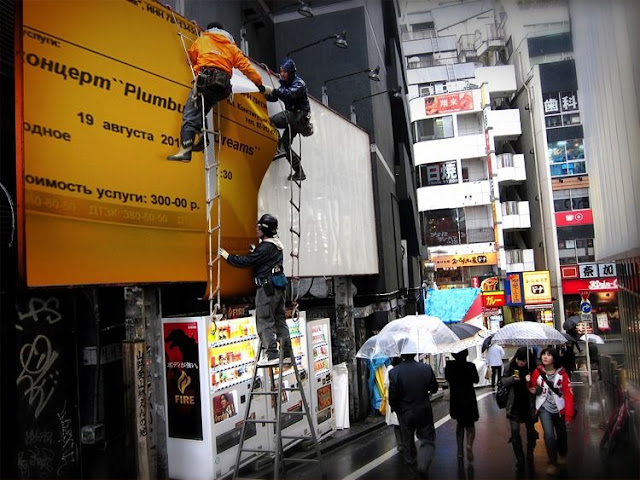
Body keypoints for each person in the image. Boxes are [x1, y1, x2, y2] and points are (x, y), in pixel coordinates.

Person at [168, 22, 265, 162]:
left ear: (209, 29)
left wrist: (198, 61)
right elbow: (246, 67)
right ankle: (203, 137)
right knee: (201, 110)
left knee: (190, 114)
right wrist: (260, 85)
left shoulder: (203, 40)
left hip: (205, 82)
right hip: (222, 88)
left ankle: (185, 151)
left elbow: (189, 59)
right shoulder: (231, 47)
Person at [218, 214, 290, 365]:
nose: (256, 229)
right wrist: (256, 251)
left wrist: (228, 256)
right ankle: (287, 352)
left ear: (265, 230)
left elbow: (247, 262)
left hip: (266, 289)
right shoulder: (276, 245)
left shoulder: (266, 247)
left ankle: (272, 355)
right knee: (279, 319)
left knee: (264, 320)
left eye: (259, 227)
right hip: (278, 288)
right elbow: (264, 259)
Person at [388, 351, 439, 477]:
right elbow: (434, 388)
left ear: (402, 355)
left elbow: (392, 395)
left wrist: (395, 408)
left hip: (405, 412)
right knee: (427, 438)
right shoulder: (425, 368)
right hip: (423, 409)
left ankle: (412, 468)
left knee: (407, 441)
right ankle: (423, 463)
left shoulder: (394, 372)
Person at [264, 58, 312, 181]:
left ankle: (277, 148)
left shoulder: (299, 84)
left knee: (270, 121)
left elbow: (289, 94)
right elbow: (276, 97)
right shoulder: (286, 84)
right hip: (298, 119)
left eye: (285, 72)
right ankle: (299, 172)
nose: (282, 74)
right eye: (281, 71)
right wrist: (265, 94)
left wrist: (273, 91)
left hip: (297, 115)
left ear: (290, 73)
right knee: (286, 146)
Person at [531, 347, 574, 476]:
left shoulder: (562, 373)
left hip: (560, 408)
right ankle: (552, 461)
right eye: (543, 354)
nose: (545, 357)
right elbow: (533, 388)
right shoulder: (537, 372)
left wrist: (569, 414)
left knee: (561, 434)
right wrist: (529, 385)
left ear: (554, 358)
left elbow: (568, 394)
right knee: (549, 435)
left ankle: (562, 453)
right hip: (544, 408)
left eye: (549, 355)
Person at [502, 347, 538, 472]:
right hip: (514, 404)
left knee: (531, 431)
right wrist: (512, 379)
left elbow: (539, 387)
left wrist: (531, 381)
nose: (520, 363)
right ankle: (520, 458)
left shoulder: (533, 369)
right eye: (519, 359)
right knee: (515, 431)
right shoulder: (510, 366)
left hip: (529, 405)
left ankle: (530, 452)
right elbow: (503, 382)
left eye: (523, 360)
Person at [444, 349, 480, 463]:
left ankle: (460, 451)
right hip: (469, 398)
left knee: (460, 424)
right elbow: (476, 380)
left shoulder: (450, 366)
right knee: (470, 425)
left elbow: (447, 378)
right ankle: (469, 444)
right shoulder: (470, 366)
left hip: (456, 399)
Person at [384, 357, 403, 452]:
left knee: (397, 424)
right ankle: (403, 443)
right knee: (402, 423)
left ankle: (400, 444)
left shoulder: (389, 370)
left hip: (393, 399)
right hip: (401, 399)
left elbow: (386, 384)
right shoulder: (399, 369)